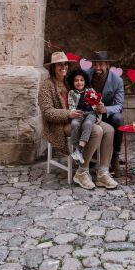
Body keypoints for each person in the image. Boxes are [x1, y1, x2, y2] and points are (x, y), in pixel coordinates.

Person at [38, 51, 118, 190]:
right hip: (60, 124)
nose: (63, 67)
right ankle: (82, 171)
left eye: (65, 64)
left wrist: (97, 110)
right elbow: (47, 112)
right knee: (96, 131)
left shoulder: (68, 82)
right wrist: (68, 114)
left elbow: (84, 99)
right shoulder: (47, 85)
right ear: (53, 67)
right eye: (59, 65)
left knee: (109, 129)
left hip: (81, 117)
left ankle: (103, 173)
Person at [87, 51, 124, 177]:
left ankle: (115, 157)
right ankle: (89, 154)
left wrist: (106, 109)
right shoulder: (85, 75)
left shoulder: (117, 80)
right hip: (89, 113)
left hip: (107, 116)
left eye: (100, 65)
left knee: (118, 119)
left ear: (107, 64)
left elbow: (119, 105)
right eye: (95, 65)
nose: (97, 68)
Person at [67, 69, 99, 165]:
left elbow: (97, 105)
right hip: (78, 113)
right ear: (72, 82)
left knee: (88, 124)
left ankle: (80, 149)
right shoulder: (71, 93)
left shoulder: (91, 91)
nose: (79, 82)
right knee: (74, 123)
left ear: (85, 81)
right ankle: (77, 150)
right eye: (76, 80)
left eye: (81, 80)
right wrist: (73, 113)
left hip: (90, 113)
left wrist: (98, 116)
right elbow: (71, 106)